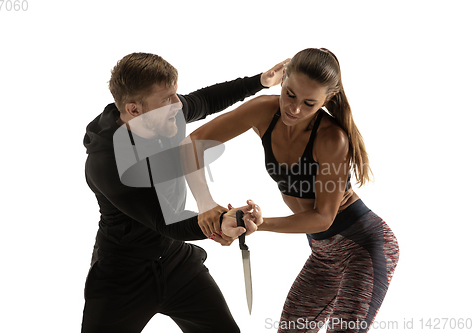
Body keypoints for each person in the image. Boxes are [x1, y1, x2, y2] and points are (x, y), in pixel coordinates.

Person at [185, 48, 400, 333]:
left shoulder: (331, 138)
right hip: (323, 254)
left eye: (309, 103)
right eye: (290, 94)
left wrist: (260, 226)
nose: (294, 109)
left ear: (327, 100)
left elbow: (323, 217)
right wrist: (205, 203)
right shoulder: (263, 111)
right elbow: (192, 144)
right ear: (283, 80)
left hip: (364, 248)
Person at [81, 52, 286, 333]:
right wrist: (219, 222)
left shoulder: (165, 116)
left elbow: (206, 100)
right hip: (122, 274)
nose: (178, 104)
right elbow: (164, 220)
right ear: (135, 110)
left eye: (175, 94)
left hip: (174, 260)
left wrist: (260, 82)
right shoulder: (106, 161)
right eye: (166, 99)